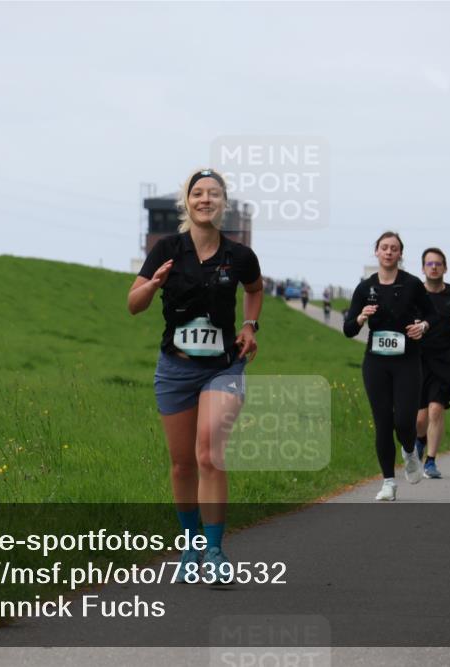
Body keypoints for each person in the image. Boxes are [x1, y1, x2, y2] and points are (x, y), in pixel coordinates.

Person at [128, 168, 263, 584]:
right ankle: (190, 546)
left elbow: (254, 289)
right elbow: (133, 304)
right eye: (198, 193)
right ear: (186, 202)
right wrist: (153, 285)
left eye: (214, 194)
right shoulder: (167, 249)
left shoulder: (240, 256)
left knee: (209, 454)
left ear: (224, 203)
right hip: (176, 368)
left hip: (223, 367)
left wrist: (249, 326)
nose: (206, 199)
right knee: (182, 464)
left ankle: (215, 550)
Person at [344, 232, 436, 501]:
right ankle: (388, 482)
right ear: (376, 251)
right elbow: (348, 329)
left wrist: (423, 326)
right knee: (383, 422)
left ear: (400, 254)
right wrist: (360, 317)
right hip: (376, 362)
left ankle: (409, 451)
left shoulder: (412, 284)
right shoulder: (365, 288)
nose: (388, 252)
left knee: (404, 421)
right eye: (384, 248)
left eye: (394, 248)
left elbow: (432, 314)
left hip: (407, 361)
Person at [414, 248, 450, 479]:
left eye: (438, 263)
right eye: (429, 263)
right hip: (418, 360)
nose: (434, 267)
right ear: (423, 268)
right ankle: (420, 439)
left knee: (436, 410)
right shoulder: (415, 293)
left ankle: (430, 462)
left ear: (445, 268)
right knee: (420, 419)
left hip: (445, 361)